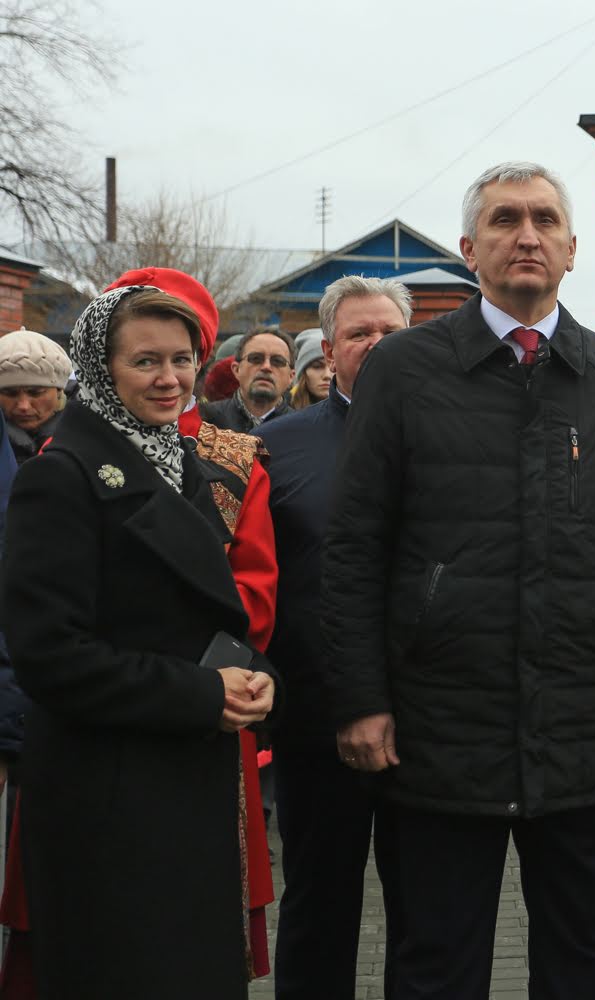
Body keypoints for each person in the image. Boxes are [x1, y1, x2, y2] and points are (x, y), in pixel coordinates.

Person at [321, 160, 595, 1000]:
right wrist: (360, 700)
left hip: (584, 723)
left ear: (572, 249)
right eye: (504, 219)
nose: (527, 235)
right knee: (437, 961)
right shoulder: (404, 370)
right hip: (439, 727)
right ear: (468, 249)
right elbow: (355, 547)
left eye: (544, 220)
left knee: (581, 956)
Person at [1, 284, 277, 999]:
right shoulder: (60, 477)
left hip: (184, 782)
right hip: (107, 797)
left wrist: (253, 674)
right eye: (145, 361)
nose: (169, 379)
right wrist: (202, 694)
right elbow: (50, 657)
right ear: (100, 369)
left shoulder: (177, 462)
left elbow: (207, 613)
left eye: (182, 360)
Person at [256, 276, 412, 1000]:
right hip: (317, 723)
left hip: (432, 721)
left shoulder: (455, 437)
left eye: (390, 332)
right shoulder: (272, 448)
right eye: (358, 334)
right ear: (328, 349)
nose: (376, 345)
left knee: (429, 912)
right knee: (319, 904)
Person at [200, 327, 294, 431]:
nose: (266, 367)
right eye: (255, 358)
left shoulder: (302, 429)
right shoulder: (204, 421)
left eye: (278, 361)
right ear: (236, 370)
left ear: (291, 376)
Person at [0, 331, 71, 463]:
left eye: (36, 393)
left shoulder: (91, 435)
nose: (24, 406)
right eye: (10, 393)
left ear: (59, 391)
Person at [289, 329, 331, 409]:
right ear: (302, 373)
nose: (327, 375)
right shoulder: (281, 412)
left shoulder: (354, 413)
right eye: (317, 366)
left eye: (334, 368)